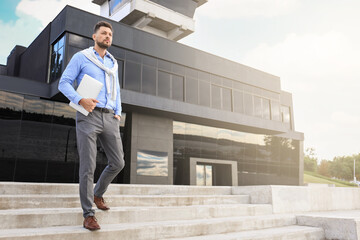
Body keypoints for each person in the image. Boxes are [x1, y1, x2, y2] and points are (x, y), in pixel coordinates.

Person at [58, 21, 125, 231]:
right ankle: (88, 214)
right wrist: (80, 100)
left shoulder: (113, 64)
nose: (107, 37)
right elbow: (64, 83)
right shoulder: (82, 58)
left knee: (118, 162)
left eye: (110, 35)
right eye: (104, 33)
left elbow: (117, 89)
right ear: (94, 36)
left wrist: (117, 111)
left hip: (110, 118)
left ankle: (98, 193)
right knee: (88, 166)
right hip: (88, 115)